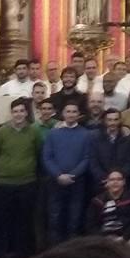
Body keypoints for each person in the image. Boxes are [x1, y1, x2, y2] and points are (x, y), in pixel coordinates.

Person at [0, 98, 43, 258]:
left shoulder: (34, 132)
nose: (18, 114)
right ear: (11, 113)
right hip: (3, 184)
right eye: (15, 111)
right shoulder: (1, 132)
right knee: (1, 222)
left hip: (27, 183)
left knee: (24, 222)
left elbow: (38, 152)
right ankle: (0, 257)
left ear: (26, 113)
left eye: (21, 111)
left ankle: (22, 257)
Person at [44, 102, 91, 243]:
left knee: (74, 218)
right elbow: (47, 157)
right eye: (68, 111)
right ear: (63, 114)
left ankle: (72, 250)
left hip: (77, 182)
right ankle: (55, 251)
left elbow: (87, 157)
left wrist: (73, 175)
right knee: (55, 217)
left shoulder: (86, 134)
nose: (71, 114)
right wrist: (58, 175)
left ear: (79, 115)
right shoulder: (53, 133)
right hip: (55, 181)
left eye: (74, 111)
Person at [86, 170, 130, 250]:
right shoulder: (97, 201)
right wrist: (103, 238)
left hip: (127, 235)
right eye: (112, 180)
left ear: (124, 182)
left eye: (119, 179)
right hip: (103, 237)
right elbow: (90, 225)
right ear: (107, 182)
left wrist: (124, 237)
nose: (115, 182)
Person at [90, 108, 130, 187]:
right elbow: (93, 162)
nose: (112, 123)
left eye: (115, 119)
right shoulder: (96, 138)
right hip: (101, 182)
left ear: (120, 121)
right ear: (105, 121)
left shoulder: (128, 140)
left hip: (122, 183)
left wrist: (117, 179)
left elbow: (129, 162)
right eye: (109, 120)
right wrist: (105, 178)